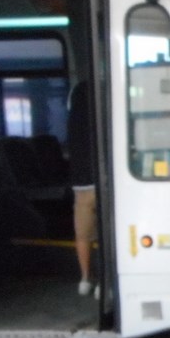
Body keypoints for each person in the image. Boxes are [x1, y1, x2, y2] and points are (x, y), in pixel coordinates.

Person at [67, 80, 97, 297]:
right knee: (108, 234)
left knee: (83, 235)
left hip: (81, 182)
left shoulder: (76, 92)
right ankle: (107, 282)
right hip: (102, 181)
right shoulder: (106, 90)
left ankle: (85, 278)